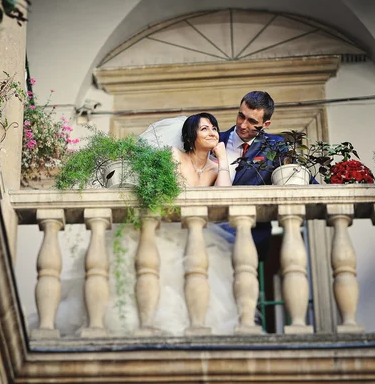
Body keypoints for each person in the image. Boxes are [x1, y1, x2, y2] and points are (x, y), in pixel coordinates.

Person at [31, 113, 240, 337]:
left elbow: (224, 196)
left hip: (194, 235)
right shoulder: (173, 155)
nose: (212, 133)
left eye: (214, 128)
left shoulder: (215, 168)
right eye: (204, 129)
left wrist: (223, 159)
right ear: (192, 135)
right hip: (164, 227)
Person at [219, 91, 285, 261]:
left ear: (266, 124)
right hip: (212, 234)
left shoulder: (275, 146)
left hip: (252, 237)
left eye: (252, 121)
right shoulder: (216, 141)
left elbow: (299, 176)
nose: (242, 124)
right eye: (241, 116)